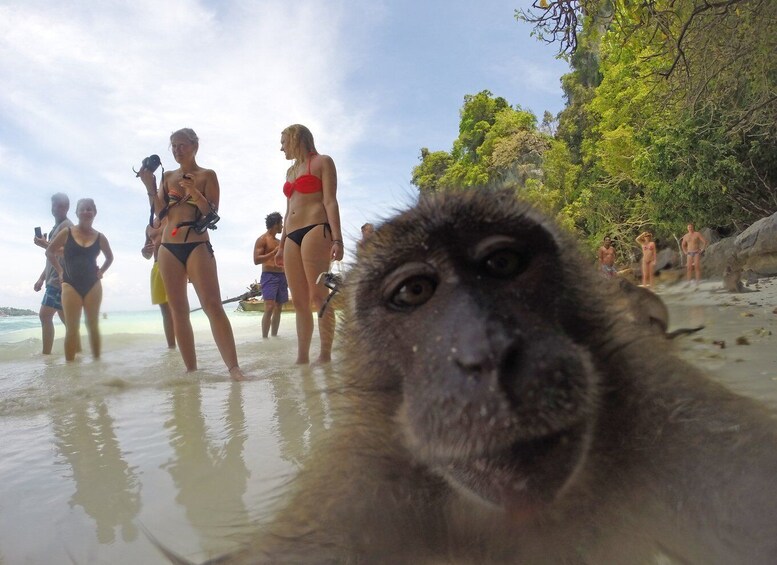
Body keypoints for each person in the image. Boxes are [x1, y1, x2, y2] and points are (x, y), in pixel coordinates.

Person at [138, 128, 246, 380]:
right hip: (168, 248)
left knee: (212, 305)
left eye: (182, 145)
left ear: (194, 145)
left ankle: (234, 368)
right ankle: (191, 370)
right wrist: (150, 187)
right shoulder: (167, 176)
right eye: (173, 146)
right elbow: (161, 214)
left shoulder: (208, 175)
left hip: (197, 244)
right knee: (178, 310)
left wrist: (195, 192)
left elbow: (212, 214)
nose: (177, 150)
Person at [275, 124, 344, 364]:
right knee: (299, 301)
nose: (281, 147)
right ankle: (302, 357)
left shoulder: (323, 162)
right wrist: (282, 245)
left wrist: (337, 238)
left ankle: (325, 354)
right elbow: (287, 211)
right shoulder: (290, 172)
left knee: (319, 296)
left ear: (296, 138)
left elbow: (330, 201)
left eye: (283, 141)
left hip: (316, 228)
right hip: (292, 234)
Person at [45, 198, 114, 361]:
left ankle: (97, 365)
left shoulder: (100, 237)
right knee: (72, 328)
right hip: (70, 284)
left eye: (89, 209)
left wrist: (102, 271)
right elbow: (50, 251)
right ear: (76, 213)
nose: (86, 212)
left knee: (93, 326)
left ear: (95, 212)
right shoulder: (67, 232)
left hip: (93, 284)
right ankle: (71, 371)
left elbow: (110, 258)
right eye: (82, 209)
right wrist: (60, 271)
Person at [33, 193, 75, 355]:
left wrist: (46, 245)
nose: (56, 208)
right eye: (54, 205)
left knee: (44, 316)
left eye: (60, 206)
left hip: (60, 280)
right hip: (53, 279)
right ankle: (77, 353)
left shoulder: (67, 226)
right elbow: (51, 257)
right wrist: (40, 278)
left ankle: (46, 356)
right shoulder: (55, 229)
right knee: (67, 322)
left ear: (67, 208)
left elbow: (71, 253)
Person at [142, 216, 175, 348]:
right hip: (157, 264)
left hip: (174, 262)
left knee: (178, 306)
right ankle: (172, 349)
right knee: (165, 310)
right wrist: (144, 252)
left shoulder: (173, 216)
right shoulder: (149, 226)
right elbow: (147, 254)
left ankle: (185, 346)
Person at [254, 212, 289, 338]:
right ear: (275, 224)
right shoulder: (262, 239)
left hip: (282, 276)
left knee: (279, 307)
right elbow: (256, 260)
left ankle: (274, 337)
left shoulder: (281, 242)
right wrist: (273, 253)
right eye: (281, 223)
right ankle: (264, 338)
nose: (282, 226)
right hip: (269, 275)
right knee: (269, 307)